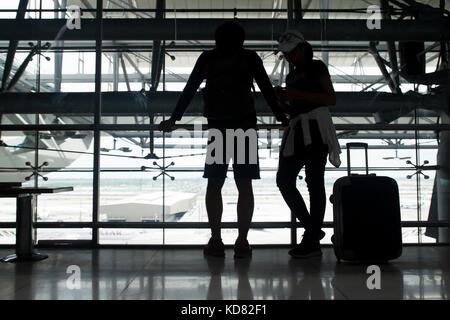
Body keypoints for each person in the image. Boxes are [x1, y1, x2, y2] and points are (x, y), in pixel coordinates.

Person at [159, 21, 287, 259]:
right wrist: (283, 119)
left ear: (217, 40)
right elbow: (267, 91)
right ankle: (242, 242)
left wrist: (174, 120)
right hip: (245, 126)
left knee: (215, 183)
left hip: (218, 127)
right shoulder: (250, 58)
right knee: (244, 185)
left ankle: (216, 240)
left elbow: (189, 90)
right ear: (242, 41)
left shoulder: (208, 58)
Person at [275, 30, 341, 258]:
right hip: (301, 127)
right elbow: (299, 105)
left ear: (303, 48)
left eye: (291, 53)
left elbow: (331, 99)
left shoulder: (316, 67)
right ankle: (312, 231)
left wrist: (296, 94)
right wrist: (284, 101)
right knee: (292, 181)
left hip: (313, 127)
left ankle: (312, 235)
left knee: (309, 182)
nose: (289, 58)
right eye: (286, 54)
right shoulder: (293, 75)